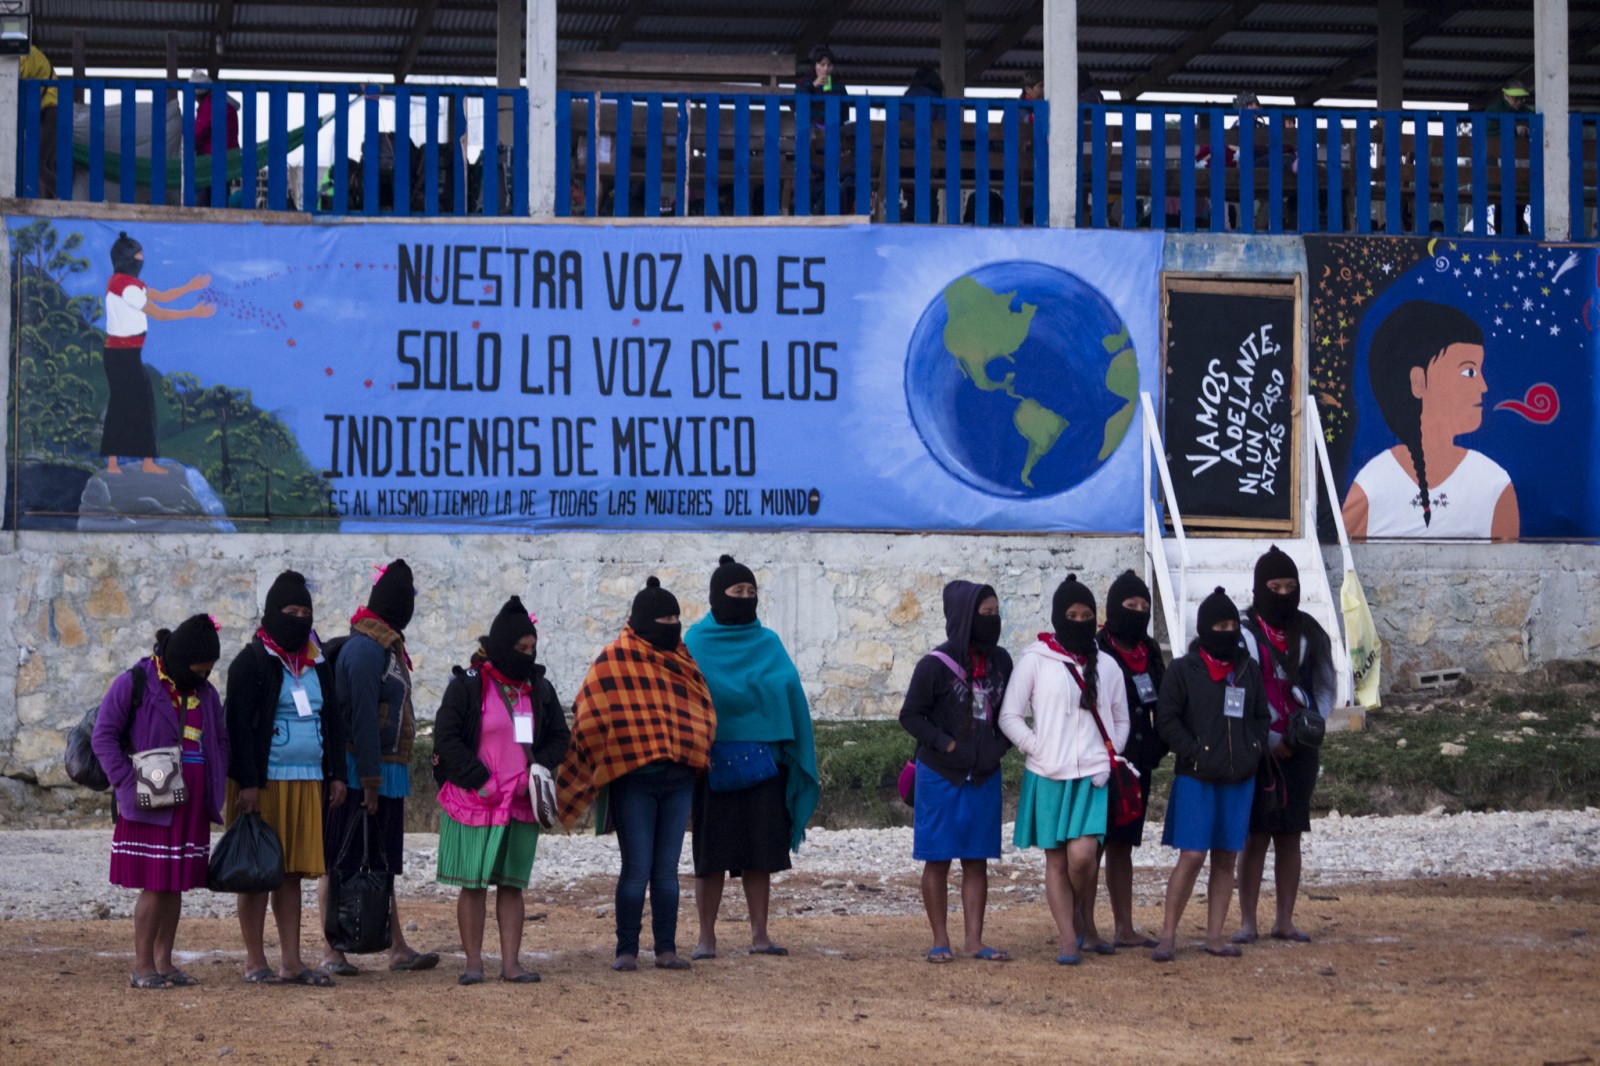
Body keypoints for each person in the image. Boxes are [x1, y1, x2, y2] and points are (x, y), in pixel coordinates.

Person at [556, 577, 717, 972]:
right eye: (665, 618)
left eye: (677, 618)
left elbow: (703, 711)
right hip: (634, 782)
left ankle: (666, 948)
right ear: (645, 620)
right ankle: (626, 949)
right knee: (636, 868)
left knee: (666, 871)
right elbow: (590, 714)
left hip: (678, 780)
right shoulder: (614, 660)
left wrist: (691, 747)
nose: (673, 625)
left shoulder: (683, 660)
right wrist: (612, 753)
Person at [685, 556, 820, 961]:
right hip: (711, 766)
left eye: (751, 592)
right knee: (710, 857)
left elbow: (788, 692)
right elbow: (686, 697)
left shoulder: (768, 643)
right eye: (737, 592)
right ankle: (706, 938)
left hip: (765, 767)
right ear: (716, 597)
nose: (745, 598)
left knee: (760, 855)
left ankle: (760, 935)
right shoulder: (694, 643)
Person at [434, 596, 570, 986]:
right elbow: (446, 737)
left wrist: (539, 765)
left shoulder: (539, 688)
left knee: (512, 885)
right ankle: (473, 963)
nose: (528, 655)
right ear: (500, 647)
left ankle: (511, 964)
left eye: (532, 649)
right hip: (477, 799)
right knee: (473, 884)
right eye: (520, 649)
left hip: (521, 802)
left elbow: (560, 736)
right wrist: (477, 778)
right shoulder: (467, 686)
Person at [999, 575, 1128, 965]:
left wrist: (1109, 760)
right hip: (1048, 775)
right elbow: (1010, 716)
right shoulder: (1035, 660)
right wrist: (1039, 748)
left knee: (1084, 857)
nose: (1079, 620)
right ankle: (1069, 937)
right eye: (1071, 614)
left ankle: (1080, 915)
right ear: (1058, 617)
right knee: (1057, 860)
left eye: (1086, 614)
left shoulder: (1108, 666)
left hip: (1093, 777)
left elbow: (1121, 721)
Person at [92, 614, 226, 989]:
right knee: (155, 884)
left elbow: (219, 741)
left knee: (175, 882)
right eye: (199, 670)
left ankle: (165, 962)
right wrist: (126, 784)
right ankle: (142, 965)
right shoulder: (134, 683)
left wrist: (216, 780)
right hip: (151, 803)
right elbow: (103, 737)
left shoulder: (206, 693)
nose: (203, 676)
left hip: (191, 804)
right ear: (181, 662)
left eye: (208, 670)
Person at [223, 570, 344, 987]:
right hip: (264, 783)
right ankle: (255, 961)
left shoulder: (318, 662)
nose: (298, 618)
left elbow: (333, 719)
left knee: (290, 873)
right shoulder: (252, 662)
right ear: (273, 612)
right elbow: (237, 725)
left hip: (308, 779)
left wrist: (336, 775)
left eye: (305, 611)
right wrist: (248, 783)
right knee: (259, 870)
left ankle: (291, 961)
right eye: (290, 611)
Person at [320, 558, 439, 976]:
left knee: (381, 862)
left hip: (387, 774)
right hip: (362, 774)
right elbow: (364, 723)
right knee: (342, 859)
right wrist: (369, 781)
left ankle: (395, 947)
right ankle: (334, 949)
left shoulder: (387, 648)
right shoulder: (365, 651)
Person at [1151, 588, 1270, 963]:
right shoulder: (1182, 670)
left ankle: (1215, 936)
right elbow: (1166, 719)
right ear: (1204, 628)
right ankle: (1168, 935)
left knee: (1225, 859)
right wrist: (1195, 751)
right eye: (1220, 625)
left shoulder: (1249, 669)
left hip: (1238, 780)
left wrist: (1252, 751)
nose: (1229, 631)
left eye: (1233, 625)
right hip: (1197, 778)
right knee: (1192, 855)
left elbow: (1262, 717)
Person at [898, 580, 1014, 963]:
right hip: (940, 776)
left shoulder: (1002, 663)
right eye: (985, 614)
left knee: (977, 860)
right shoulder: (933, 665)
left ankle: (975, 941)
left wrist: (997, 750)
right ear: (965, 617)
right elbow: (910, 715)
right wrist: (946, 744)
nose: (993, 620)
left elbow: (1009, 716)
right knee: (938, 859)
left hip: (984, 776)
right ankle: (939, 940)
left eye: (996, 613)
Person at [1232, 547, 1338, 947]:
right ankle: (1247, 922)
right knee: (1255, 836)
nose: (1282, 593)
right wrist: (1269, 739)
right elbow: (1238, 691)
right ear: (1259, 589)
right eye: (1274, 587)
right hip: (1259, 748)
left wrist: (1312, 726)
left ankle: (1285, 921)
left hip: (1300, 751)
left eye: (1289, 586)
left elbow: (1326, 685)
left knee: (1291, 833)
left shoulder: (1310, 631)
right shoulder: (1243, 635)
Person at [1342, 300, 1518, 539]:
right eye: (1469, 372)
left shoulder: (1493, 486)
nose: (1484, 386)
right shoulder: (1372, 484)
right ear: (1419, 381)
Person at [1078, 569, 1168, 952]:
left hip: (1139, 764)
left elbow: (1165, 705)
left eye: (1144, 606)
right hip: (1103, 762)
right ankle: (1084, 925)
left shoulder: (1150, 653)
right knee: (1092, 846)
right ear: (1115, 608)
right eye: (1130, 605)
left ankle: (1124, 926)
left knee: (1122, 846)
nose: (1138, 612)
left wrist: (1158, 747)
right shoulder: (1096, 650)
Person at [99, 231, 215, 476]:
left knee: (138, 402)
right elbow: (159, 313)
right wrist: (193, 312)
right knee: (124, 403)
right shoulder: (125, 287)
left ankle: (142, 460)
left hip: (126, 354)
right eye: (139, 254)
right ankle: (118, 462)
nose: (142, 258)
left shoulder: (127, 283)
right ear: (128, 258)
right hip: (122, 355)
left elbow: (162, 296)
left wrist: (190, 287)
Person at [20, 44, 58, 197]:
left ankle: (64, 197)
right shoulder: (28, 52)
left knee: (36, 163)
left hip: (51, 112)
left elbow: (14, 76)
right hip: (48, 112)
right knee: (45, 164)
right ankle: (50, 203)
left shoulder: (24, 53)